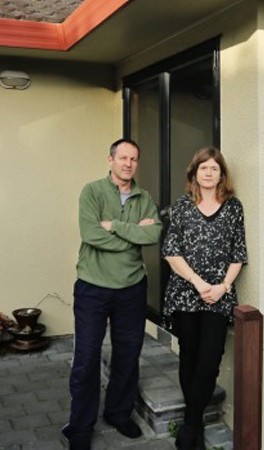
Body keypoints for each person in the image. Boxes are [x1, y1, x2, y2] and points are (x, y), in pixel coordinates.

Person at [62, 139, 162, 450]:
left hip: (131, 289)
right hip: (93, 287)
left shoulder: (144, 197)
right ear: (110, 161)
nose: (128, 163)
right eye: (122, 158)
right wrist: (133, 234)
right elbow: (91, 234)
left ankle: (118, 413)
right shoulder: (92, 191)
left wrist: (115, 225)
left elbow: (154, 233)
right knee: (87, 357)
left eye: (133, 159)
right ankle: (79, 426)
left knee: (128, 354)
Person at [162, 147, 247, 450]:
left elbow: (238, 253)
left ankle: (190, 422)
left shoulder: (233, 207)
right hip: (186, 293)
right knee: (189, 356)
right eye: (203, 168)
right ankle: (193, 426)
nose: (209, 173)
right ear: (194, 173)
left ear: (222, 174)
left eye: (214, 168)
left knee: (209, 361)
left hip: (219, 295)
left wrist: (222, 286)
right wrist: (199, 283)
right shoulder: (182, 207)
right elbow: (171, 252)